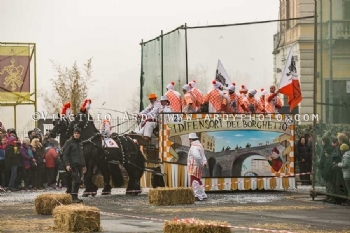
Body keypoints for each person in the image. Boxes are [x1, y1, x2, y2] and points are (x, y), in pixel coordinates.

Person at [62, 128, 86, 203]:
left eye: (77, 133)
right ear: (73, 134)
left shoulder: (80, 143)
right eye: (75, 133)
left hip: (79, 164)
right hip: (73, 164)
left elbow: (82, 155)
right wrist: (67, 164)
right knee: (76, 180)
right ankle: (73, 197)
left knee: (79, 181)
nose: (76, 134)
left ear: (80, 134)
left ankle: (75, 196)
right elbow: (65, 154)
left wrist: (84, 165)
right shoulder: (69, 142)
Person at [187, 133, 208, 201]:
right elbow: (203, 156)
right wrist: (204, 162)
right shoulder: (200, 146)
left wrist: (200, 163)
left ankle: (197, 195)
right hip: (198, 165)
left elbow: (197, 156)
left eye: (189, 139)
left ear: (191, 139)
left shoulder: (194, 147)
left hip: (194, 166)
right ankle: (202, 194)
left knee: (194, 180)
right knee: (198, 180)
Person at [319, 136, 335, 202]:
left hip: (327, 167)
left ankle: (331, 196)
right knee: (327, 183)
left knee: (329, 183)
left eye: (322, 141)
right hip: (324, 167)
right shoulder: (326, 148)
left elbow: (324, 158)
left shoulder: (328, 148)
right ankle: (328, 195)